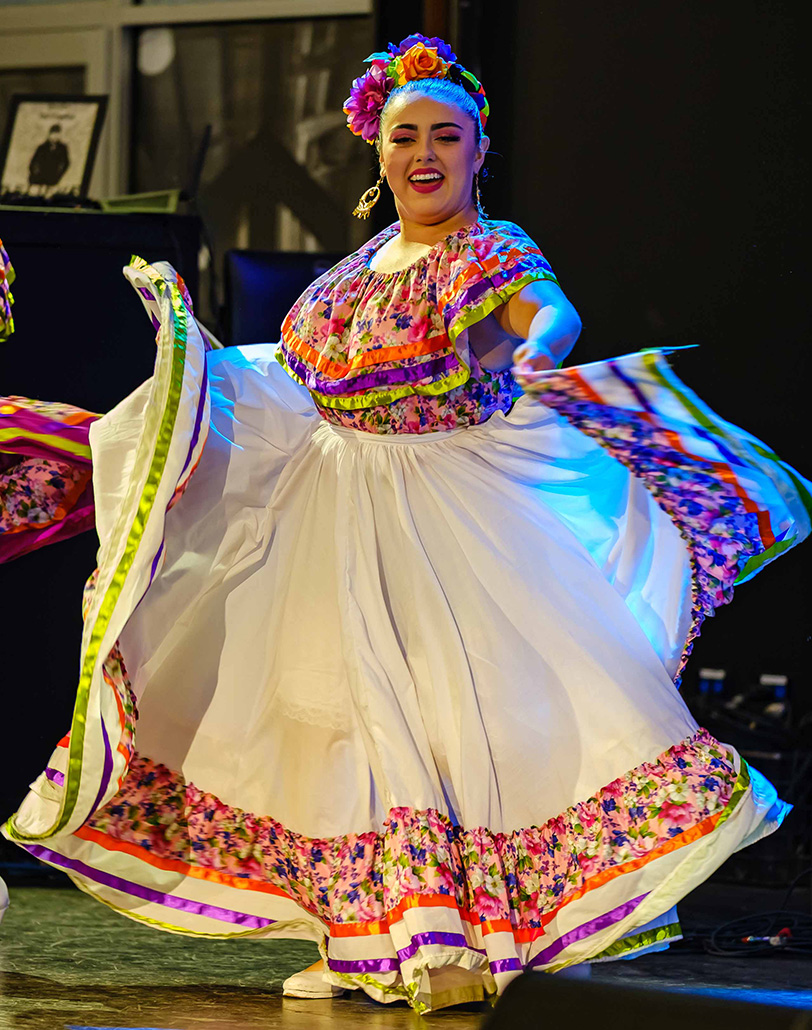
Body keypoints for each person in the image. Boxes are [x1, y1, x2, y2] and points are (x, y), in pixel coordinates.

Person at [1, 35, 809, 1015]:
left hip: (443, 513)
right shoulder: (356, 269)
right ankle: (360, 934)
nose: (422, 154)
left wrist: (538, 348)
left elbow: (542, 311)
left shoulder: (490, 249)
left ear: (476, 151)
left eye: (444, 135)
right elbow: (287, 381)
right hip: (330, 508)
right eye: (403, 138)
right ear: (377, 154)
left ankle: (454, 939)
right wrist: (180, 390)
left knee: (446, 725)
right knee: (333, 728)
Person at [28, 124, 70, 193]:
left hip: (53, 178)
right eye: (53, 134)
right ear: (49, 134)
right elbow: (33, 162)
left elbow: (66, 162)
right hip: (40, 178)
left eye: (57, 134)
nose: (55, 137)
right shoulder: (42, 147)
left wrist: (59, 174)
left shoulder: (62, 148)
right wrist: (34, 173)